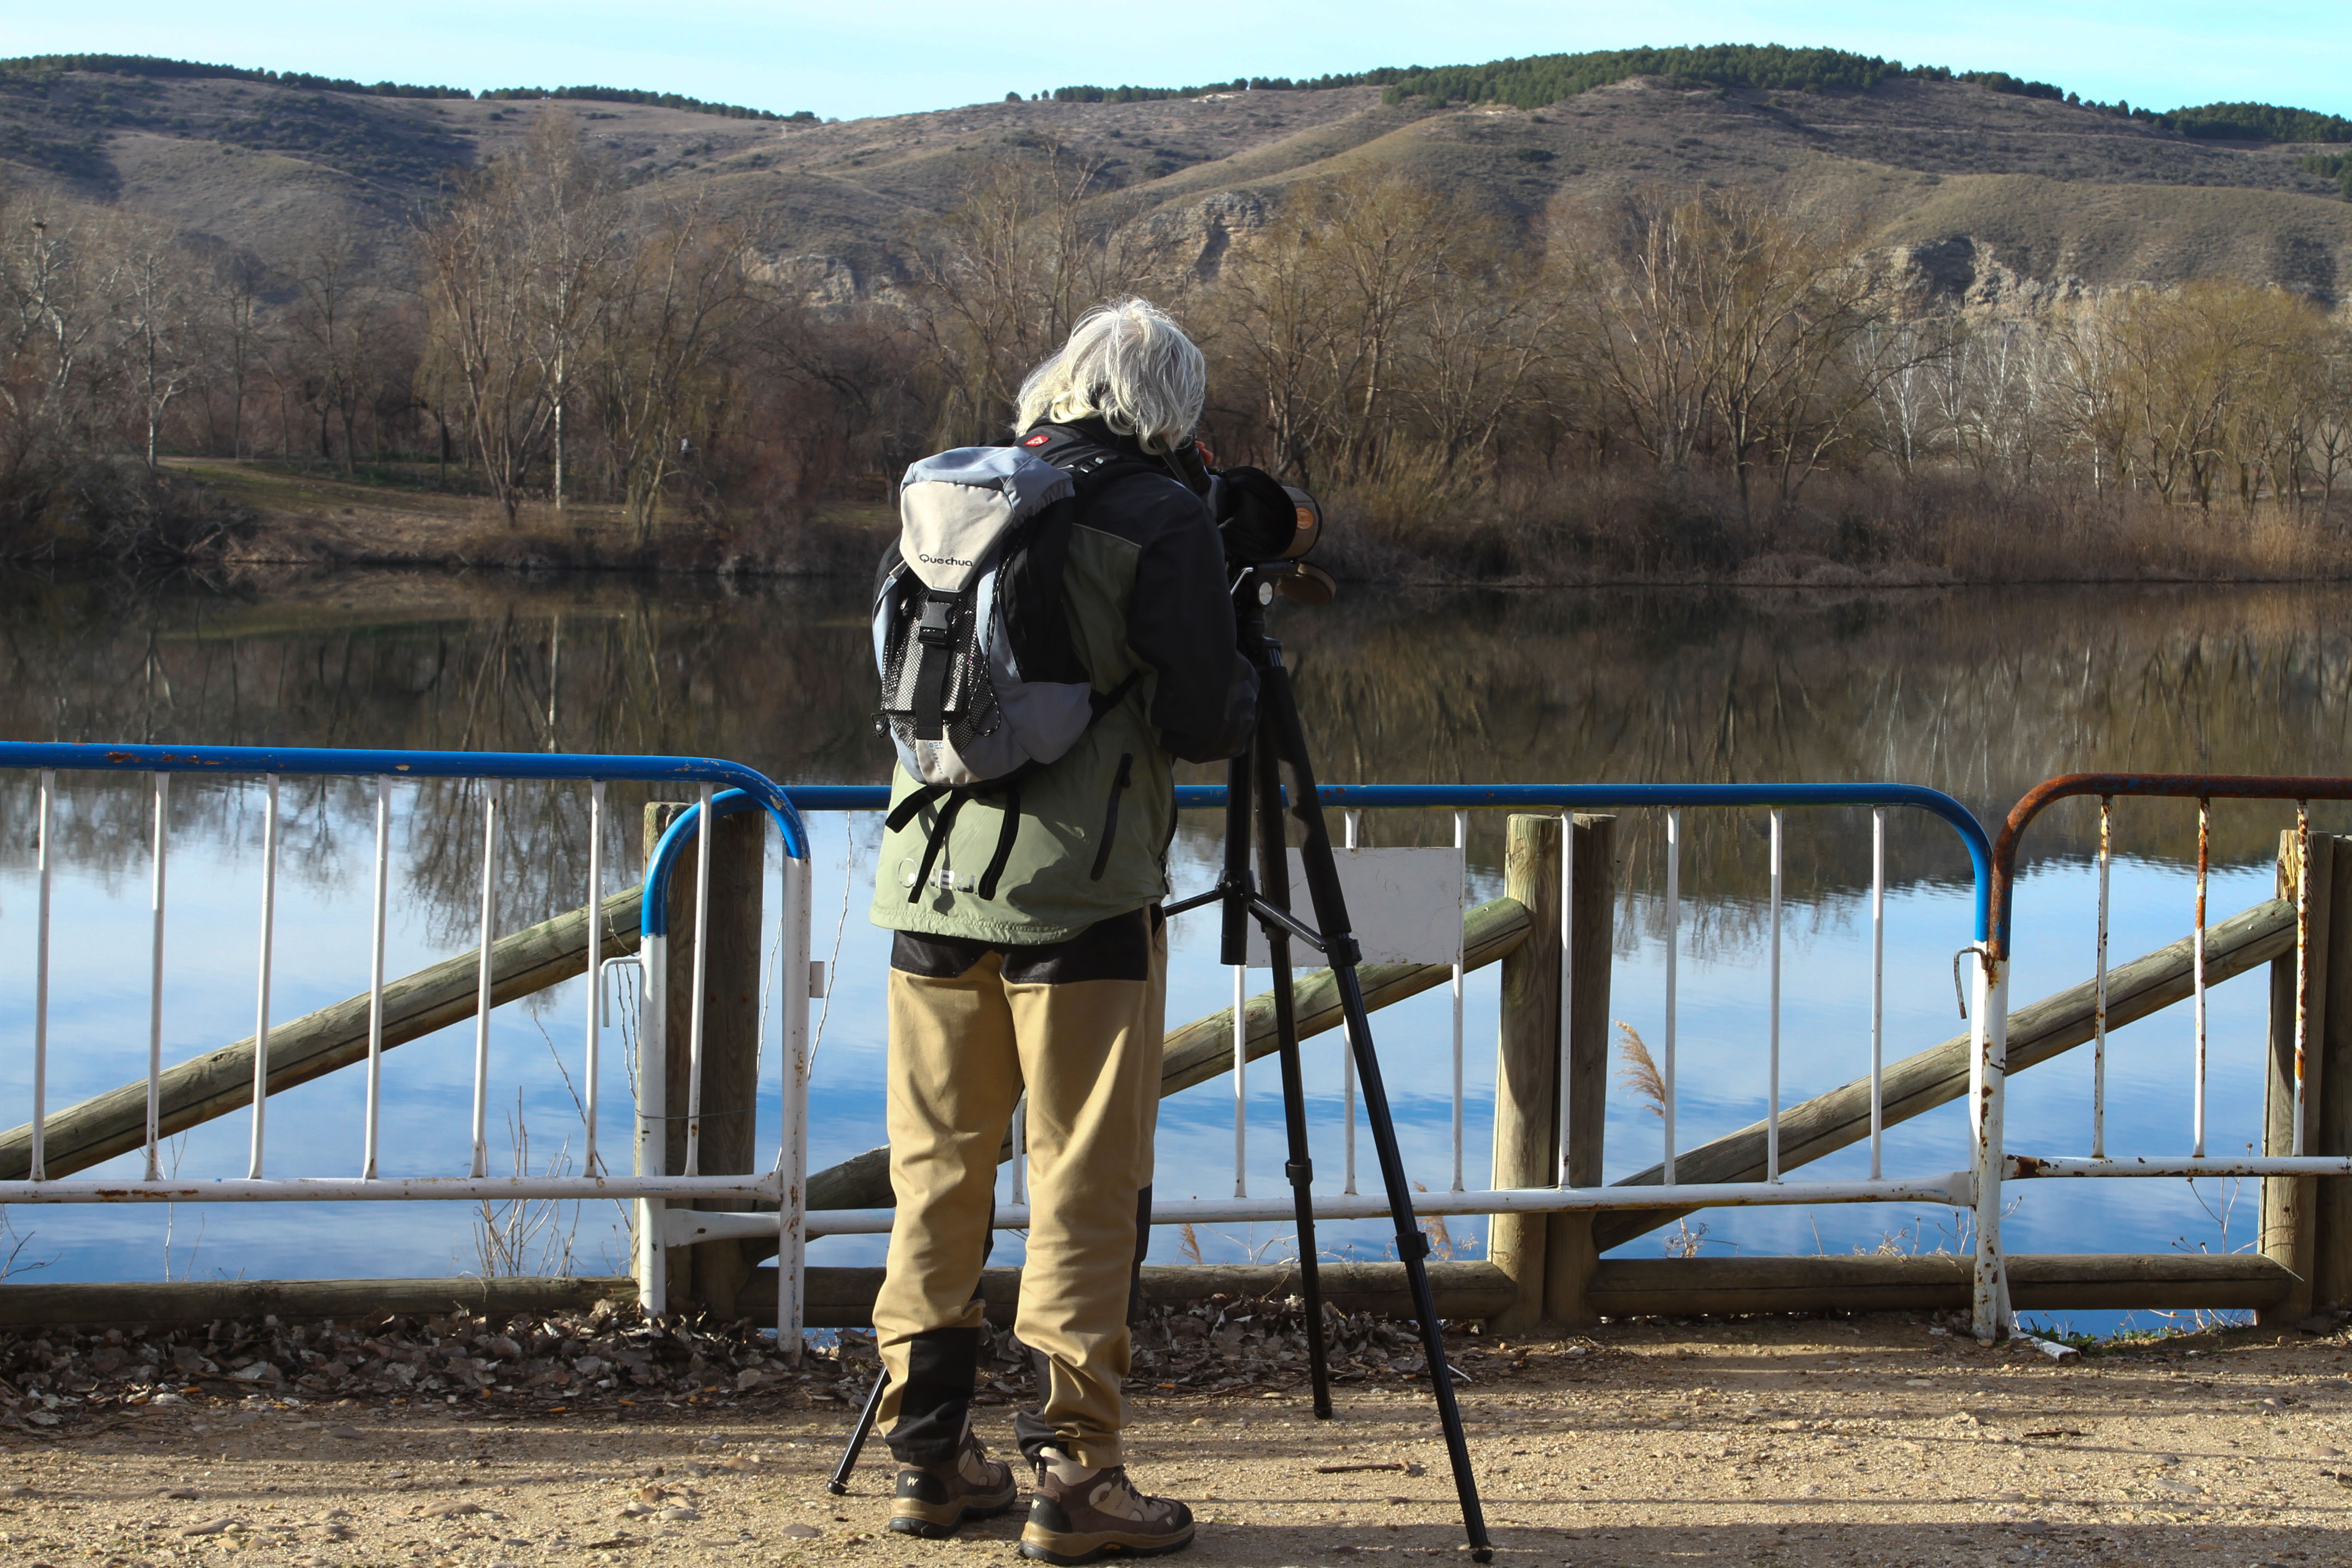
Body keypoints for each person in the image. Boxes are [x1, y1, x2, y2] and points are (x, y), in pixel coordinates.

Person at [868, 297, 1255, 1565]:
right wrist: (1249, 660)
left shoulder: (964, 495)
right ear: (1173, 408)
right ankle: (1077, 1474)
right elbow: (1203, 718)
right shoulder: (1160, 518)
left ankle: (926, 1460)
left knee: (937, 1177)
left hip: (926, 889)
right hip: (1078, 905)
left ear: (1060, 386)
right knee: (1085, 1187)